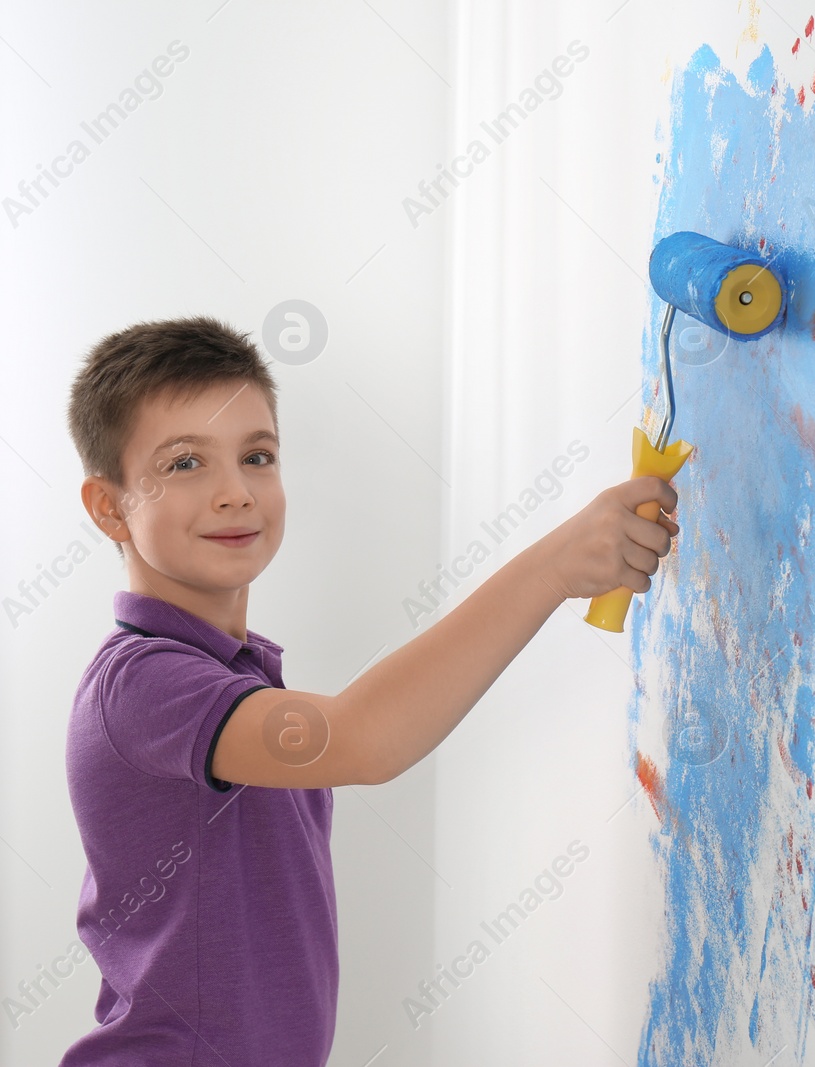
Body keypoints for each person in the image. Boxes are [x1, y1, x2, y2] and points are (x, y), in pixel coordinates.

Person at [59, 314, 679, 1064]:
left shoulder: (235, 671)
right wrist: (555, 567)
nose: (235, 492)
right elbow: (361, 738)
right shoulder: (143, 682)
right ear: (108, 505)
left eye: (257, 456)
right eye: (186, 463)